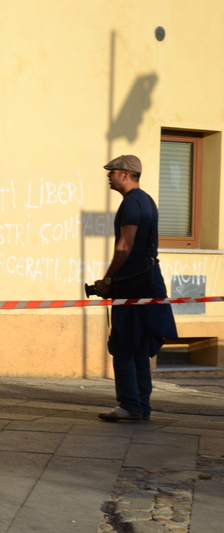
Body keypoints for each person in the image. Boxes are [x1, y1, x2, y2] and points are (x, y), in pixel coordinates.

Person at [93, 155, 177, 422]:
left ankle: (130, 404)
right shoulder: (148, 200)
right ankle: (141, 405)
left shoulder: (131, 203)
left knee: (124, 344)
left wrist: (107, 281)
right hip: (149, 281)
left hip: (132, 284)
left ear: (125, 175)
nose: (108, 175)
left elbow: (124, 246)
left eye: (112, 172)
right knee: (140, 345)